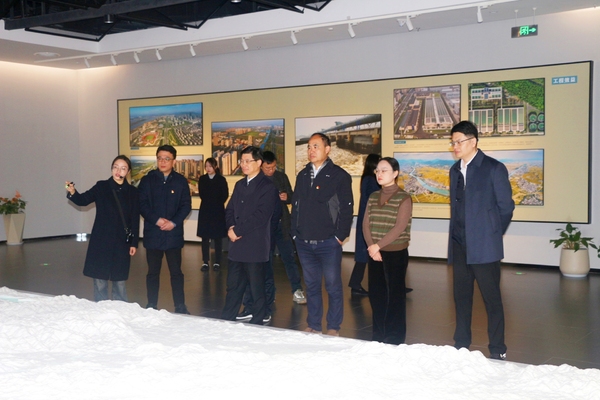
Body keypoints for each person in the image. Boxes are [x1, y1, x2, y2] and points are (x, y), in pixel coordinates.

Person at [448, 120, 515, 360]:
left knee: (492, 299)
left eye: (459, 142)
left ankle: (497, 348)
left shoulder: (494, 168)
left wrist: (492, 233)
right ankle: (461, 343)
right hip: (459, 244)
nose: (455, 146)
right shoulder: (454, 170)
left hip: (485, 246)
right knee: (461, 298)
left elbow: (506, 207)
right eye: (453, 142)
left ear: (473, 141)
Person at [291, 133, 353, 336]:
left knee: (333, 286)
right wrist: (294, 234)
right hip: (304, 241)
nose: (311, 150)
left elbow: (346, 208)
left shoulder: (339, 176)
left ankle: (333, 326)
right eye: (309, 147)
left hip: (328, 242)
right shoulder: (302, 175)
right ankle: (314, 324)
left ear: (327, 149)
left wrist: (340, 236)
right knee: (311, 286)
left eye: (316, 146)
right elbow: (296, 206)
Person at [65, 155, 140, 302]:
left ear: (128, 171)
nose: (118, 171)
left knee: (119, 281)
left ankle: (120, 311)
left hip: (121, 241)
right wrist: (72, 191)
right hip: (102, 239)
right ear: (111, 169)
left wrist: (134, 243)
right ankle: (101, 309)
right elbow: (83, 200)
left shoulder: (133, 192)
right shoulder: (102, 187)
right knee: (100, 279)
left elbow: (135, 219)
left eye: (123, 168)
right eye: (115, 167)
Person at [221, 146, 279, 325]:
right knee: (233, 287)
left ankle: (258, 322)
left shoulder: (267, 186)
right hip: (237, 244)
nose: (243, 164)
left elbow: (261, 216)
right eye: (242, 161)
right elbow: (230, 209)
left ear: (259, 162)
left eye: (248, 161)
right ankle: (226, 320)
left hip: (255, 245)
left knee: (256, 288)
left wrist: (237, 231)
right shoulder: (240, 184)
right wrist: (231, 227)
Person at [363, 157, 413, 345]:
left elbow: (400, 226)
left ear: (395, 173)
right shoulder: (373, 196)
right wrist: (372, 246)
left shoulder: (404, 197)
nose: (379, 174)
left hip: (395, 253)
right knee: (377, 296)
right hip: (374, 253)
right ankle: (378, 335)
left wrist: (378, 245)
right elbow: (365, 223)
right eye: (377, 170)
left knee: (395, 297)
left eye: (384, 170)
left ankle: (394, 337)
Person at [138, 144, 192, 314]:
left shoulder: (181, 181)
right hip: (153, 234)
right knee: (152, 273)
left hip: (173, 235)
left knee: (176, 273)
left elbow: (186, 206)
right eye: (160, 158)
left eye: (166, 159)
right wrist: (157, 220)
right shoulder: (147, 180)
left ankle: (180, 306)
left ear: (173, 161)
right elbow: (142, 204)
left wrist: (173, 222)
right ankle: (151, 305)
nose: (162, 162)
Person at [349, 153, 380, 296]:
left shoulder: (367, 178)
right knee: (365, 256)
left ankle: (356, 284)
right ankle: (356, 285)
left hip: (366, 219)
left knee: (364, 256)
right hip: (369, 221)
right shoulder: (371, 180)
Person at [196, 157, 229, 271]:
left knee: (218, 238)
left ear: (215, 167)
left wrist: (216, 202)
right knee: (205, 238)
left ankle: (217, 262)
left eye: (210, 166)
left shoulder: (221, 179)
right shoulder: (202, 179)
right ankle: (205, 262)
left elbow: (224, 195)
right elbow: (202, 194)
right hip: (205, 210)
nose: (208, 168)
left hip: (217, 210)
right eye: (206, 166)